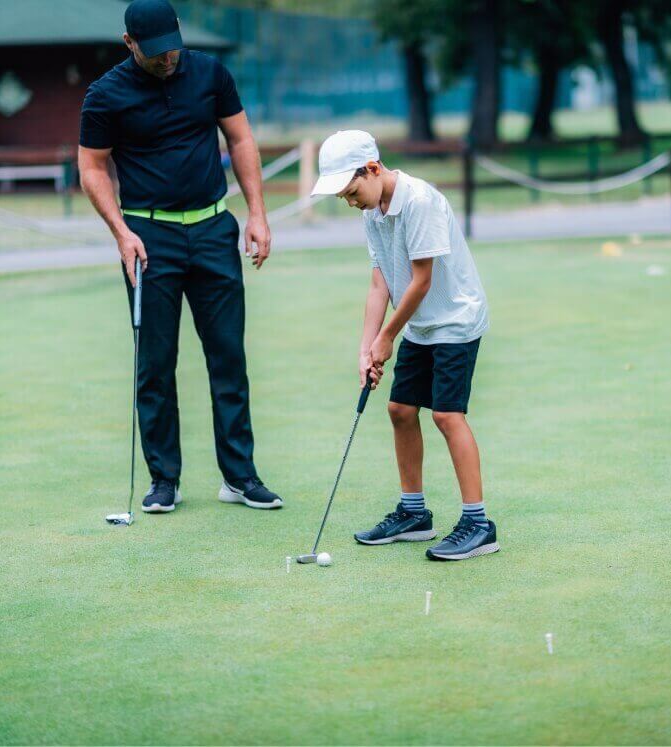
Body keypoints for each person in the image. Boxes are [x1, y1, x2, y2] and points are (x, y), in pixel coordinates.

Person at [78, 0, 283, 515]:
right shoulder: (105, 95)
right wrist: (120, 232)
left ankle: (240, 477)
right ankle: (163, 479)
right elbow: (93, 169)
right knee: (156, 364)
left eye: (173, 48)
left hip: (214, 228)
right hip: (149, 237)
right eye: (155, 53)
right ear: (130, 44)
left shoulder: (210, 73)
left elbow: (240, 138)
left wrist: (257, 213)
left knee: (228, 358)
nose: (167, 59)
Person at [310, 130, 498, 561]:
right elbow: (380, 281)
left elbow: (421, 281)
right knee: (399, 410)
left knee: (448, 415)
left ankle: (478, 523)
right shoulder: (372, 210)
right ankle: (414, 514)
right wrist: (367, 345)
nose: (349, 201)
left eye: (351, 190)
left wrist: (387, 337)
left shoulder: (420, 201)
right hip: (418, 325)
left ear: (372, 168)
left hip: (454, 319)